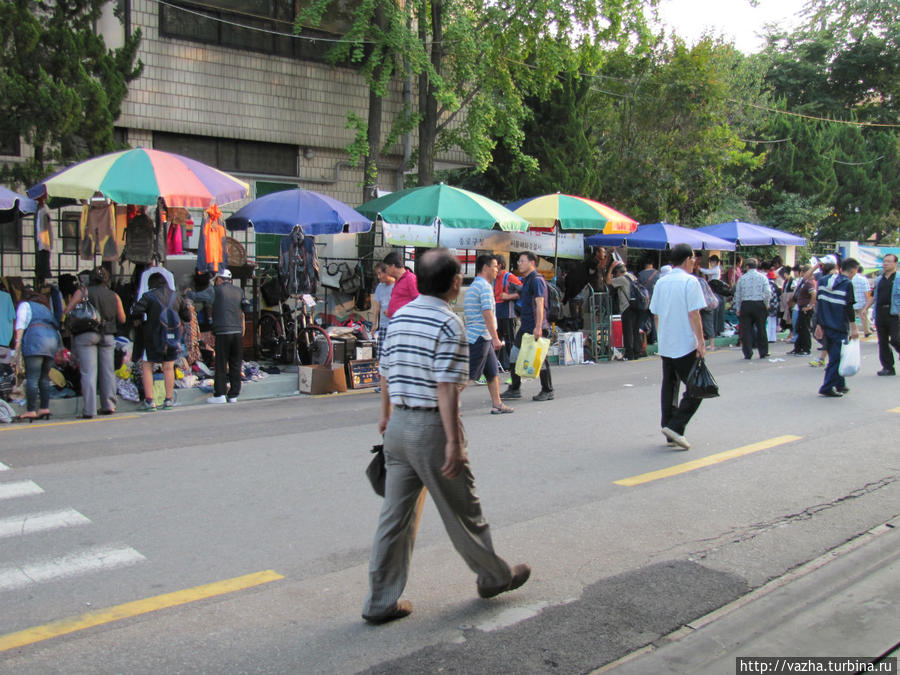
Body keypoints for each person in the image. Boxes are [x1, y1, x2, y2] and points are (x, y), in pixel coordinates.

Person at [363, 247, 530, 624]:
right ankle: (493, 577)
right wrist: (453, 441)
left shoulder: (400, 315)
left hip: (398, 430)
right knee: (464, 511)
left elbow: (386, 371)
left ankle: (379, 601)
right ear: (455, 283)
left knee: (395, 519)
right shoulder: (448, 324)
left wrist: (387, 417)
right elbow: (445, 389)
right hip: (430, 429)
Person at [649, 244, 707, 450]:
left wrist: (661, 336)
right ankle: (676, 425)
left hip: (667, 342)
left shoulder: (661, 283)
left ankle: (669, 427)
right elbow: (694, 313)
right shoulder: (690, 282)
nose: (694, 262)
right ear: (687, 259)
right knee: (698, 387)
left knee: (670, 385)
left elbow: (655, 313)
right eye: (693, 259)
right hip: (685, 342)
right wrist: (700, 341)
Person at [64, 267, 126, 418]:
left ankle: (89, 410)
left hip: (87, 335)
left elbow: (67, 310)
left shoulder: (83, 292)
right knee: (108, 372)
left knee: (89, 373)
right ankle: (109, 406)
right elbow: (122, 318)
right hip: (108, 335)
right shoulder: (114, 295)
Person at [133, 272, 191, 412]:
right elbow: (187, 316)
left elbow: (136, 311)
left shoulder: (148, 296)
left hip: (152, 337)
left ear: (151, 284)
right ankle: (168, 400)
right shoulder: (176, 296)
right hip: (171, 337)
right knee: (168, 367)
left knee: (147, 366)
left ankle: (150, 401)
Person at [501, 252, 553, 401]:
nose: (519, 263)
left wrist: (538, 327)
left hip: (536, 326)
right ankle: (515, 388)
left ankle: (548, 390)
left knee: (540, 359)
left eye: (522, 261)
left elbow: (540, 304)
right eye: (519, 261)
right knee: (514, 355)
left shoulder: (537, 280)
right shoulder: (526, 280)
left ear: (532, 263)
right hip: (525, 326)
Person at [464, 254, 512, 414]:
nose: (497, 269)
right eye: (495, 266)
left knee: (492, 371)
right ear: (485, 267)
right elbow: (487, 313)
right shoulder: (484, 287)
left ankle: (497, 403)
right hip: (480, 336)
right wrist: (496, 338)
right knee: (468, 375)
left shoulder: (474, 286)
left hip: (480, 335)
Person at [12, 289, 61, 421]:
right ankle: (44, 408)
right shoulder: (46, 309)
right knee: (44, 378)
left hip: (35, 341)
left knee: (32, 377)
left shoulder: (25, 305)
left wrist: (17, 346)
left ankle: (31, 410)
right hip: (51, 342)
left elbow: (20, 324)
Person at [814, 257, 859, 397]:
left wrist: (818, 324)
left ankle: (840, 384)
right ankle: (826, 387)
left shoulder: (822, 281)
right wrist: (854, 328)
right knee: (836, 358)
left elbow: (819, 304)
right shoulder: (847, 284)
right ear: (853, 271)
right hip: (838, 325)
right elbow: (849, 308)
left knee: (836, 354)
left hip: (825, 323)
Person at [207, 269, 249, 404]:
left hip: (222, 332)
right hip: (237, 332)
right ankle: (233, 395)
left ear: (219, 279)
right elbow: (246, 308)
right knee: (235, 363)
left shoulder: (216, 291)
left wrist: (187, 293)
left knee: (221, 363)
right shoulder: (239, 291)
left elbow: (200, 297)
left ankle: (219, 394)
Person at [866, 253, 900, 376]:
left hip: (894, 313)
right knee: (883, 341)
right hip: (880, 312)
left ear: (895, 264)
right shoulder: (879, 279)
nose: (885, 264)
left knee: (895, 339)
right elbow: (874, 296)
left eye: (889, 261)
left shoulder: (898, 278)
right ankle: (888, 367)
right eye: (884, 261)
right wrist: (866, 308)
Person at [733, 257, 771, 360]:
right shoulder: (762, 277)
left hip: (746, 304)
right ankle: (763, 351)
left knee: (746, 330)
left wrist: (738, 308)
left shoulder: (742, 278)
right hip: (759, 304)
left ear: (747, 267)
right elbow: (768, 292)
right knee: (761, 329)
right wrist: (767, 303)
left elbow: (738, 295)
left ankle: (748, 353)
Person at [607, 262, 642, 360]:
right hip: (637, 306)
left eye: (615, 272)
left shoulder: (622, 279)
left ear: (618, 272)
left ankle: (629, 354)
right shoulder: (633, 276)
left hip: (627, 307)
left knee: (628, 331)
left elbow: (608, 281)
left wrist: (610, 268)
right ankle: (636, 352)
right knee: (635, 330)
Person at [493, 256, 521, 370]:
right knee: (496, 341)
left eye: (494, 265)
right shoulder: (494, 278)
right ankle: (494, 368)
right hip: (496, 313)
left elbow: (523, 292)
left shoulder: (509, 277)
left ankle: (514, 369)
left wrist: (508, 296)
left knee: (510, 341)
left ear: (499, 265)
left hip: (508, 313)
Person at [789, 264, 815, 356]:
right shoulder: (803, 281)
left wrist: (809, 306)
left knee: (804, 329)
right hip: (800, 306)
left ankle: (806, 349)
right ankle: (798, 348)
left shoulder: (809, 283)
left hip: (805, 308)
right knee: (799, 328)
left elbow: (813, 294)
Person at [371, 262, 395, 360]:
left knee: (392, 357)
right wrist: (374, 324)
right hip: (383, 326)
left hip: (394, 326)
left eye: (380, 273)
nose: (378, 276)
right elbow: (377, 306)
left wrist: (392, 312)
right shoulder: (380, 287)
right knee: (381, 358)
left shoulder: (397, 285)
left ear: (387, 272)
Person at [384, 251, 418, 318]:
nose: (386, 271)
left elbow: (417, 300)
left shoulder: (410, 278)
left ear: (393, 266)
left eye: (386, 268)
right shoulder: (397, 280)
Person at [700, 254, 725, 336]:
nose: (711, 263)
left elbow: (707, 272)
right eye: (711, 262)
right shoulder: (714, 268)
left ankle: (716, 330)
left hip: (716, 288)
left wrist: (698, 268)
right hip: (712, 287)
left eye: (712, 262)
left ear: (716, 262)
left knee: (715, 310)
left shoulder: (716, 269)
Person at [851, 265, 872, 338]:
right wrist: (868, 302)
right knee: (864, 317)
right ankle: (866, 331)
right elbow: (867, 292)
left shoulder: (850, 278)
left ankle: (853, 331)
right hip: (861, 302)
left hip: (852, 302)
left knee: (852, 318)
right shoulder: (863, 279)